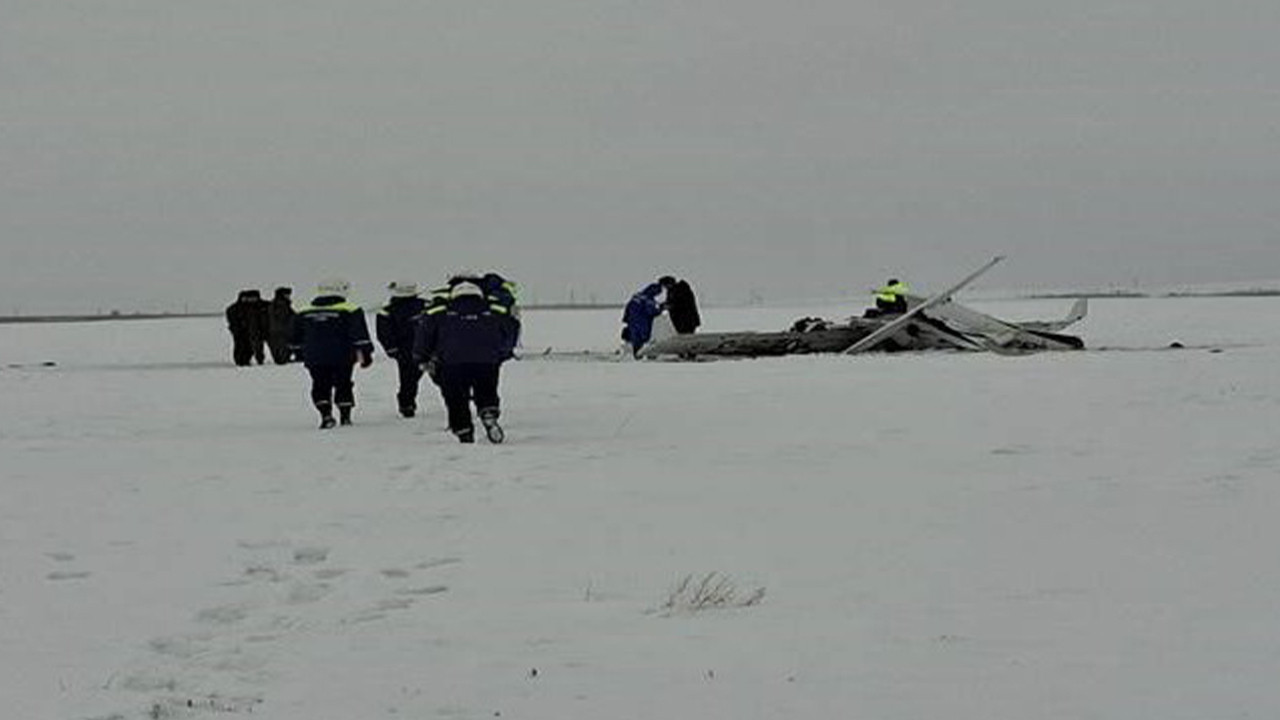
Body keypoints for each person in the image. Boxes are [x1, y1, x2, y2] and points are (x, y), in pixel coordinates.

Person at [413, 280, 519, 444]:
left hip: (451, 363)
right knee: (486, 389)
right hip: (486, 362)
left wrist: (421, 356)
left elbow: (424, 335)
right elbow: (510, 330)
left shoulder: (439, 311)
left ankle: (464, 431)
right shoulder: (494, 310)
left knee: (456, 398)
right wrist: (502, 354)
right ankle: (488, 411)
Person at [290, 278, 374, 429]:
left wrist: (298, 352)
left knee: (320, 384)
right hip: (342, 356)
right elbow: (359, 334)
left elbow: (294, 336)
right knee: (343, 383)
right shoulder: (351, 309)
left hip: (314, 357)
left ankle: (325, 415)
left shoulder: (303, 311)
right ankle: (345, 416)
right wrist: (366, 353)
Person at [376, 281, 427, 418]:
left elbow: (383, 333)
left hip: (405, 351)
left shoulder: (388, 310)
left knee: (408, 379)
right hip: (429, 348)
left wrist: (392, 350)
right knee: (446, 378)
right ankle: (461, 401)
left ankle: (406, 405)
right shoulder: (426, 305)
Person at [225, 289, 269, 366]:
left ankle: (248, 360)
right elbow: (232, 318)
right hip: (241, 332)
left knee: (251, 348)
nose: (250, 300)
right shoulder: (235, 308)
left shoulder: (259, 306)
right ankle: (241, 360)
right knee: (241, 348)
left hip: (254, 332)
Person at [621, 282, 664, 357]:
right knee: (644, 338)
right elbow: (651, 311)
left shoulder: (636, 296)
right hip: (643, 322)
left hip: (632, 321)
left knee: (635, 339)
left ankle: (636, 354)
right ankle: (645, 355)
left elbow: (628, 307)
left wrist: (626, 318)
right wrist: (660, 309)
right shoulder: (648, 299)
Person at [267, 286, 296, 364]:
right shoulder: (282, 305)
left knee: (278, 349)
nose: (289, 296)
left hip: (275, 331)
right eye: (287, 294)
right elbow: (285, 318)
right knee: (282, 351)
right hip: (282, 331)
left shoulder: (274, 304)